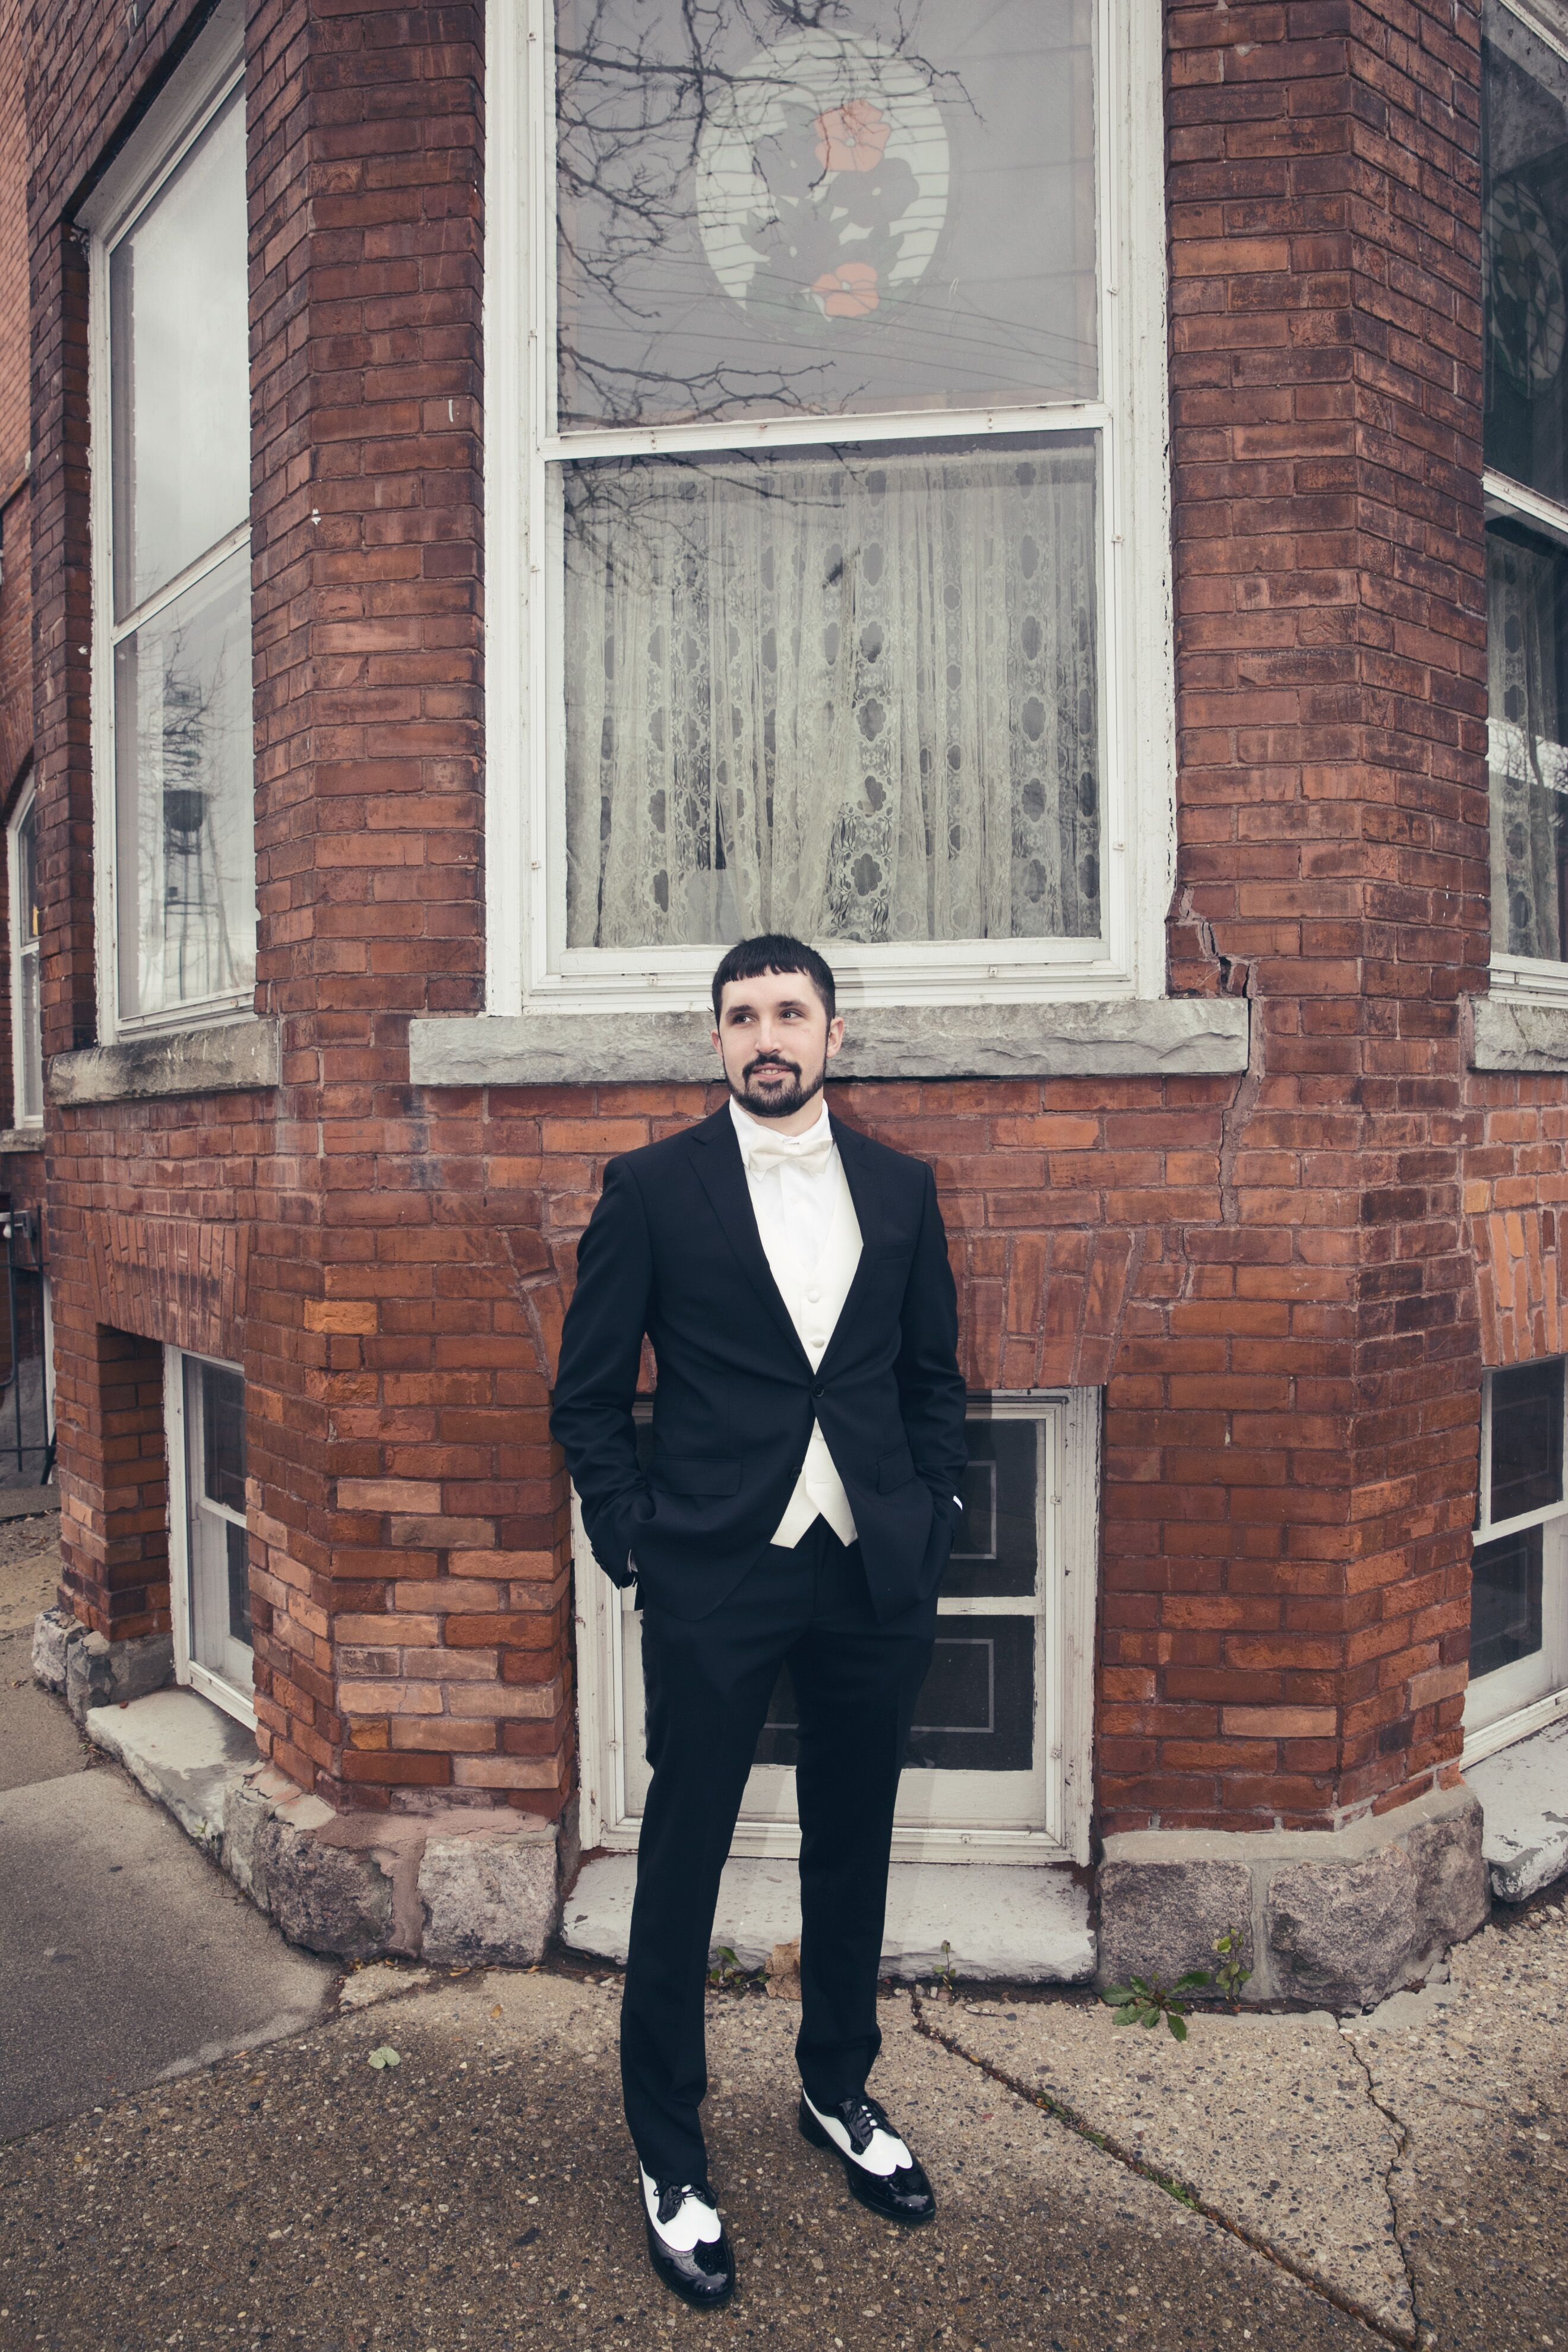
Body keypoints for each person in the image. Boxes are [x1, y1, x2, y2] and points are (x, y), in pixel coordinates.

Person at [550, 932, 968, 2310]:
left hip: (866, 1573)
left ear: (834, 1033)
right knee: (684, 1860)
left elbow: (929, 1380)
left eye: (790, 1011)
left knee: (852, 1849)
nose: (766, 1035)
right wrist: (640, 1548)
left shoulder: (903, 1190)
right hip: (717, 1575)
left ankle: (837, 2089)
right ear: (718, 1038)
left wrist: (932, 1514)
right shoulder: (654, 1189)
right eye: (743, 1016)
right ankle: (670, 2155)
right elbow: (590, 1400)